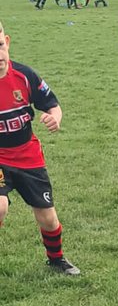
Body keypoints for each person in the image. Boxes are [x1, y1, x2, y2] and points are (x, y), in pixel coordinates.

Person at [0, 21, 80, 275]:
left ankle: (56, 260)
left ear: (7, 42)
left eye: (0, 46)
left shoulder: (25, 76)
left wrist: (55, 118)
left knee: (47, 217)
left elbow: (53, 105)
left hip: (28, 156)